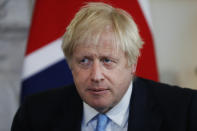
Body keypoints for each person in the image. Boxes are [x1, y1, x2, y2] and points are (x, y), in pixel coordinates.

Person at [11, 2, 197, 131]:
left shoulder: (184, 111)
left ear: (132, 63)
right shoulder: (35, 114)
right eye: (84, 61)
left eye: (107, 60)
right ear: (70, 64)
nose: (96, 75)